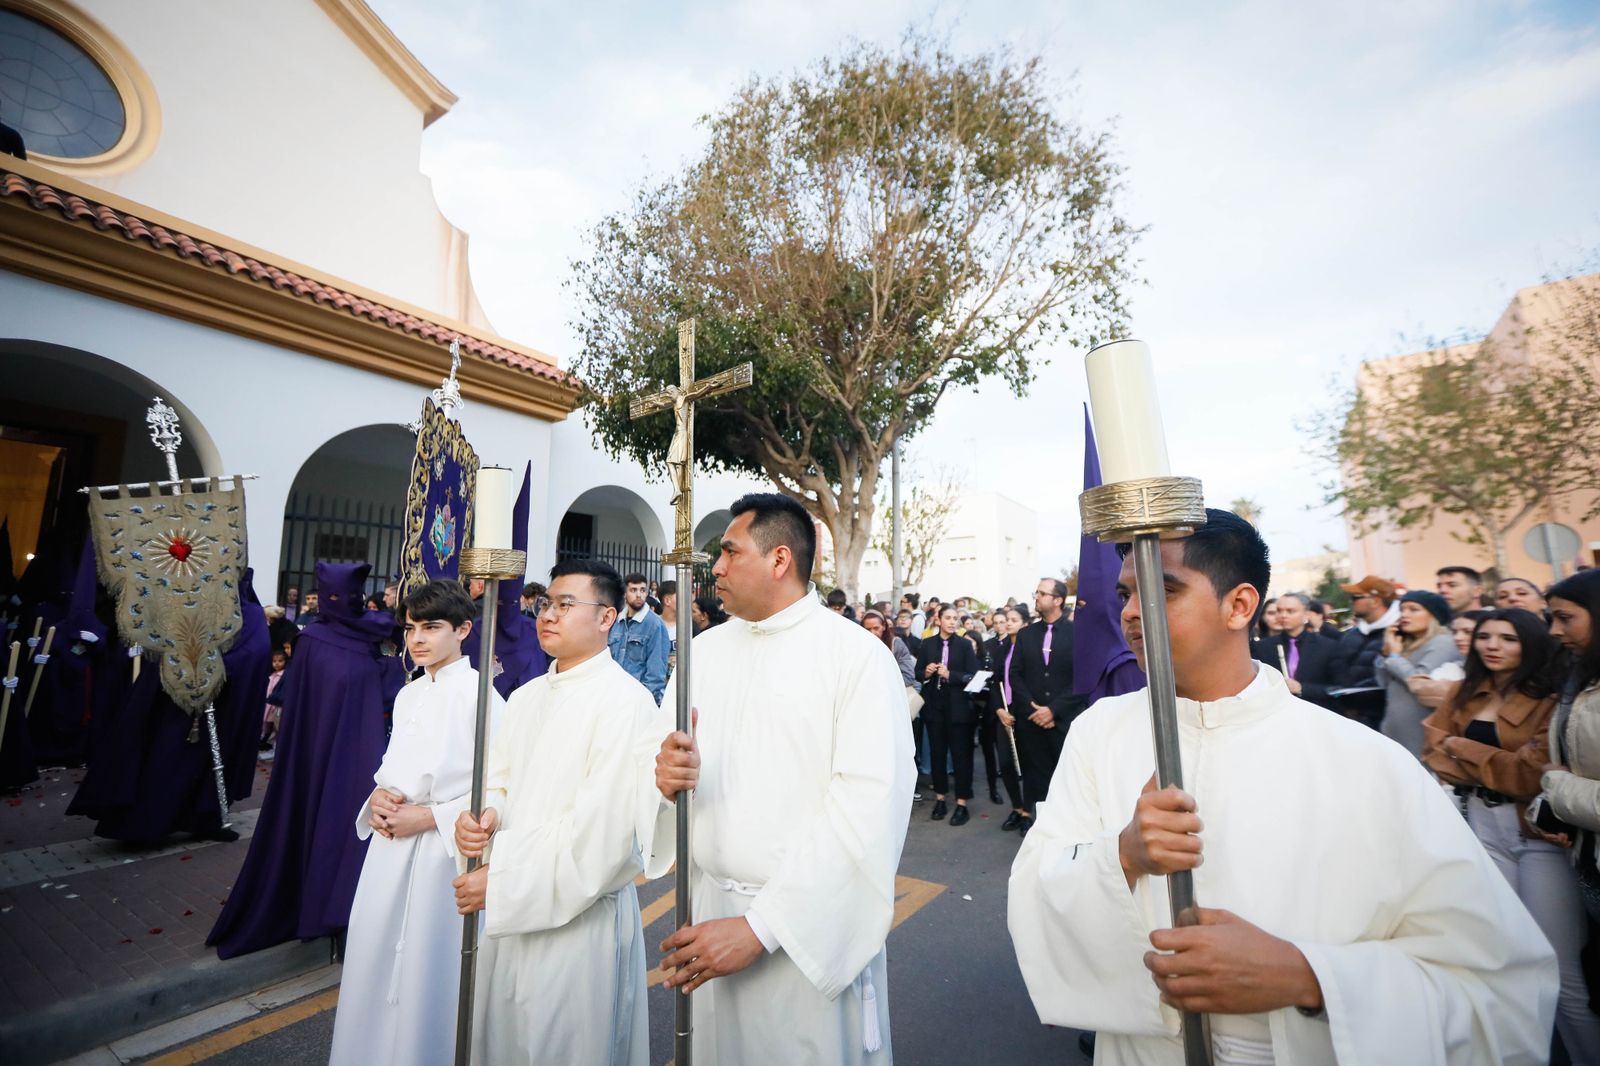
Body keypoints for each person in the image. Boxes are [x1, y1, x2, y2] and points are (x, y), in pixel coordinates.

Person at [1007, 509, 1557, 1065]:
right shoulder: (1100, 732)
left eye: (1160, 590)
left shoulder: (1365, 763)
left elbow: (1499, 989)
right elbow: (1033, 891)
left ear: (1240, 605)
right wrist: (1121, 856)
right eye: (1125, 594)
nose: (1130, 613)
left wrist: (1308, 977)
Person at [651, 493, 913, 1064]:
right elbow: (659, 768)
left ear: (779, 560)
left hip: (804, 929)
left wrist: (761, 929)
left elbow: (868, 808)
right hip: (710, 912)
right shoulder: (704, 652)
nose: (714, 567)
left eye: (728, 551)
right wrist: (665, 780)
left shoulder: (855, 658)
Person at [452, 558, 659, 1064]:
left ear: (607, 618)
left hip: (577, 923)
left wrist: (501, 879)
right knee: (504, 1043)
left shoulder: (626, 704)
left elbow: (605, 838)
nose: (548, 615)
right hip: (513, 913)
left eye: (567, 605)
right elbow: (498, 782)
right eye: (547, 604)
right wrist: (480, 819)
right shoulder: (523, 698)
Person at [329, 581, 503, 1066]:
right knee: (374, 959)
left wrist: (428, 817)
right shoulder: (408, 694)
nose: (418, 640)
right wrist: (380, 798)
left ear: (464, 630)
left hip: (439, 855)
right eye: (410, 630)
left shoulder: (481, 698)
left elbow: (501, 790)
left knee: (429, 968)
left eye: (432, 628)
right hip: (390, 849)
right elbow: (395, 767)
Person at [1421, 607, 1600, 1060]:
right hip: (1480, 826)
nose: (1493, 645)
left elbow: (1530, 776)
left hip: (1537, 836)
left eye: (1509, 638)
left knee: (1561, 969)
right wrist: (1490, 762)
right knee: (1502, 955)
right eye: (1485, 636)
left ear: (1531, 643)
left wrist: (1460, 747)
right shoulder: (1467, 690)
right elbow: (1430, 752)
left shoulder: (1552, 697)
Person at [207, 562, 407, 958]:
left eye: (345, 595)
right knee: (322, 817)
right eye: (331, 595)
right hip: (319, 754)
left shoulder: (382, 632)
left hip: (369, 752)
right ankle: (321, 910)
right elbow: (302, 707)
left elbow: (396, 681)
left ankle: (351, 914)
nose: (339, 603)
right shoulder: (312, 640)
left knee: (359, 826)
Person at [1530, 569, 1600, 915]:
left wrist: (1555, 786)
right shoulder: (1581, 678)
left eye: (1565, 618)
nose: (1555, 631)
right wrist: (1549, 813)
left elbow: (1558, 775)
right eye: (1551, 618)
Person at [1010, 578, 1080, 819]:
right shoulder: (1026, 634)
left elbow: (1082, 679)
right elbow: (1015, 675)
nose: (1036, 597)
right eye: (1036, 592)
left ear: (1058, 600)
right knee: (1035, 776)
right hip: (1032, 721)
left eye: (1042, 593)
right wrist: (1034, 709)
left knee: (1067, 778)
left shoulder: (1077, 634)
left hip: (1064, 721)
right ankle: (1035, 824)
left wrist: (1053, 710)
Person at [915, 604, 981, 826]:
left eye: (956, 618)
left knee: (961, 756)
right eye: (948, 618)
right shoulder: (927, 644)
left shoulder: (964, 645)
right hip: (934, 706)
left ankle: (962, 802)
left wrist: (951, 674)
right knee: (937, 754)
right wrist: (926, 672)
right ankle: (940, 798)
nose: (953, 622)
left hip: (958, 708)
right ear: (938, 620)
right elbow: (918, 672)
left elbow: (973, 676)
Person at [1376, 590, 1462, 759]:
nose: (1404, 615)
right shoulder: (1406, 644)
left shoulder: (1444, 642)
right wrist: (1385, 653)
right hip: (1395, 728)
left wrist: (1394, 656)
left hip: (1420, 730)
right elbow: (1383, 682)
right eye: (1402, 609)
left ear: (1434, 615)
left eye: (1413, 609)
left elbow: (1419, 681)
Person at [1330, 574, 1401, 726]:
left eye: (1356, 597)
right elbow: (1338, 664)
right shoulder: (1353, 633)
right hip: (1353, 716)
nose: (1352, 602)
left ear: (1375, 601)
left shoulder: (1399, 632)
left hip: (1384, 718)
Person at [1268, 592, 1344, 711]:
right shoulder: (1263, 647)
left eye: (1290, 611)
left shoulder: (1328, 646)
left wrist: (1301, 688)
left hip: (1316, 714)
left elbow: (1339, 689)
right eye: (1279, 610)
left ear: (1306, 614)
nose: (1283, 615)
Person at [988, 606, 1028, 829]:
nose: (1008, 624)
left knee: (1028, 764)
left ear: (1024, 623)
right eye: (1006, 621)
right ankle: (1017, 807)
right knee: (1006, 763)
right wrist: (999, 710)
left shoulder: (1029, 648)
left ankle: (1029, 811)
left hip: (1023, 713)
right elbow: (995, 683)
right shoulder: (1001, 650)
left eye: (1014, 620)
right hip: (1004, 711)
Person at [608, 572, 670, 704]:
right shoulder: (617, 621)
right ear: (625, 593)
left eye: (642, 590)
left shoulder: (655, 625)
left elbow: (656, 673)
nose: (639, 595)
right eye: (633, 590)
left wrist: (648, 705)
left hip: (637, 700)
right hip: (612, 696)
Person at [260, 648, 287, 750]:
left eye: (280, 661)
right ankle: (265, 741)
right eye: (274, 661)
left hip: (275, 705)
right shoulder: (271, 675)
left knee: (275, 725)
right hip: (268, 704)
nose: (276, 664)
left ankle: (273, 744)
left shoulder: (284, 675)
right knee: (267, 724)